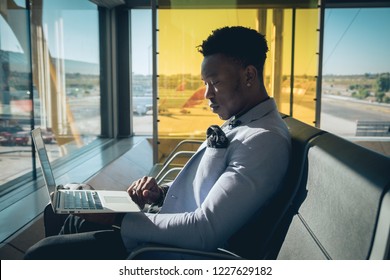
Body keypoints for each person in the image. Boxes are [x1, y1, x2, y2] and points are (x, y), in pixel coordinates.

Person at [24, 26, 291, 260]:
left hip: (166, 249)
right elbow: (206, 190)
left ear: (248, 76)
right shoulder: (242, 121)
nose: (207, 94)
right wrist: (160, 193)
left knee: (41, 254)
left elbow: (204, 231)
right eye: (205, 83)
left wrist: (118, 218)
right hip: (161, 219)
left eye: (215, 83)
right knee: (59, 211)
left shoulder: (264, 141)